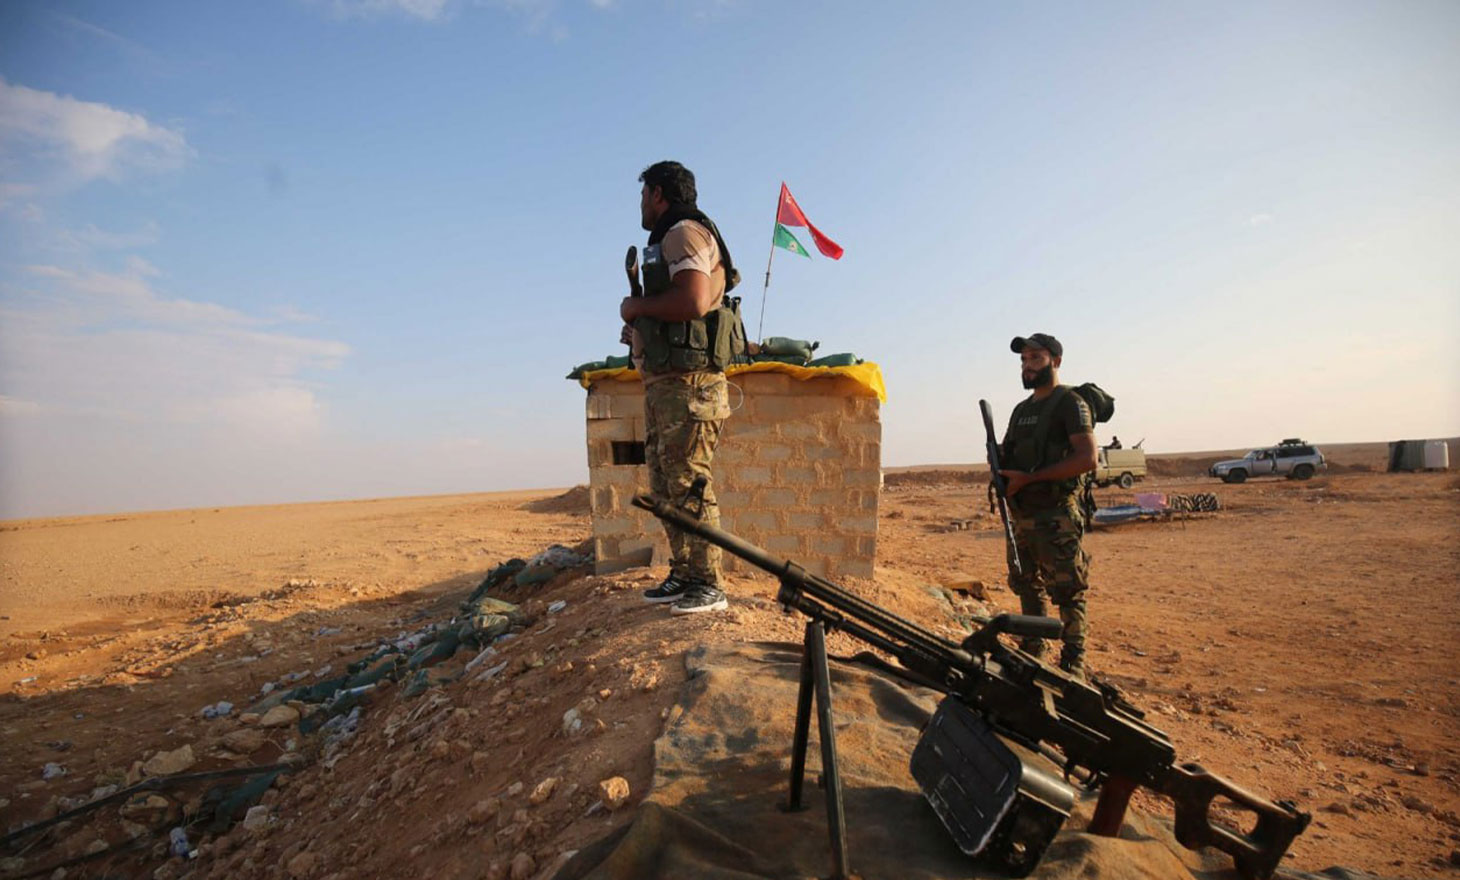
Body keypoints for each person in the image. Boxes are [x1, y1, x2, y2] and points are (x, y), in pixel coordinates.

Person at [619, 161, 743, 615]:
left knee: (689, 484)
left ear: (657, 194)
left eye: (643, 195)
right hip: (668, 384)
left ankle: (709, 583)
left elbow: (692, 300)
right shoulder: (669, 237)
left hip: (690, 386)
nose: (640, 206)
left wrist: (636, 307)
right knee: (665, 485)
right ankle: (686, 573)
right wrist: (642, 330)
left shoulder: (684, 232)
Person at [998, 333, 1099, 676]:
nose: (1027, 366)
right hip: (1022, 514)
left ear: (1055, 361)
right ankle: (1034, 649)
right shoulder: (1021, 409)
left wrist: (1031, 478)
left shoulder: (1070, 403)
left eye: (1035, 358)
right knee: (1027, 585)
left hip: (1056, 516)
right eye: (1023, 360)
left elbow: (1087, 458)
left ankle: (1073, 664)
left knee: (1068, 591)